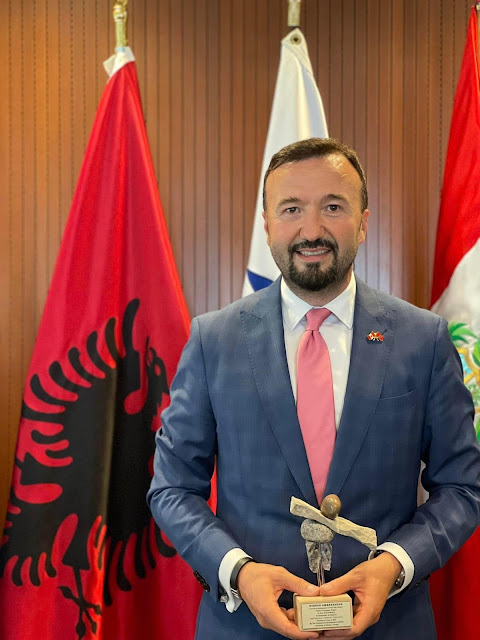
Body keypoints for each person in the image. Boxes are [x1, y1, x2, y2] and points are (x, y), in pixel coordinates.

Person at [147, 138, 480, 640]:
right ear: (267, 225)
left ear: (364, 221)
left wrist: (395, 563)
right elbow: (172, 488)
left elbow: (462, 487)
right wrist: (238, 571)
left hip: (390, 624)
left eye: (332, 207)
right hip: (244, 627)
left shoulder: (423, 340)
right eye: (291, 209)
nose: (312, 230)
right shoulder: (213, 340)